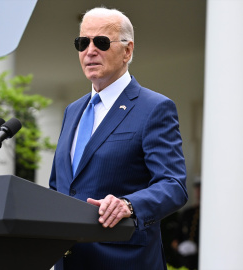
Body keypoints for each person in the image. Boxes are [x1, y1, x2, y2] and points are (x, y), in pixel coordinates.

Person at [49, 7, 188, 270]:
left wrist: (129, 205)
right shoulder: (73, 111)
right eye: (82, 42)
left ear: (127, 51)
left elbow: (173, 186)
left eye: (101, 42)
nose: (90, 51)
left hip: (124, 261)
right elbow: (60, 187)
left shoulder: (154, 108)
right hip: (67, 261)